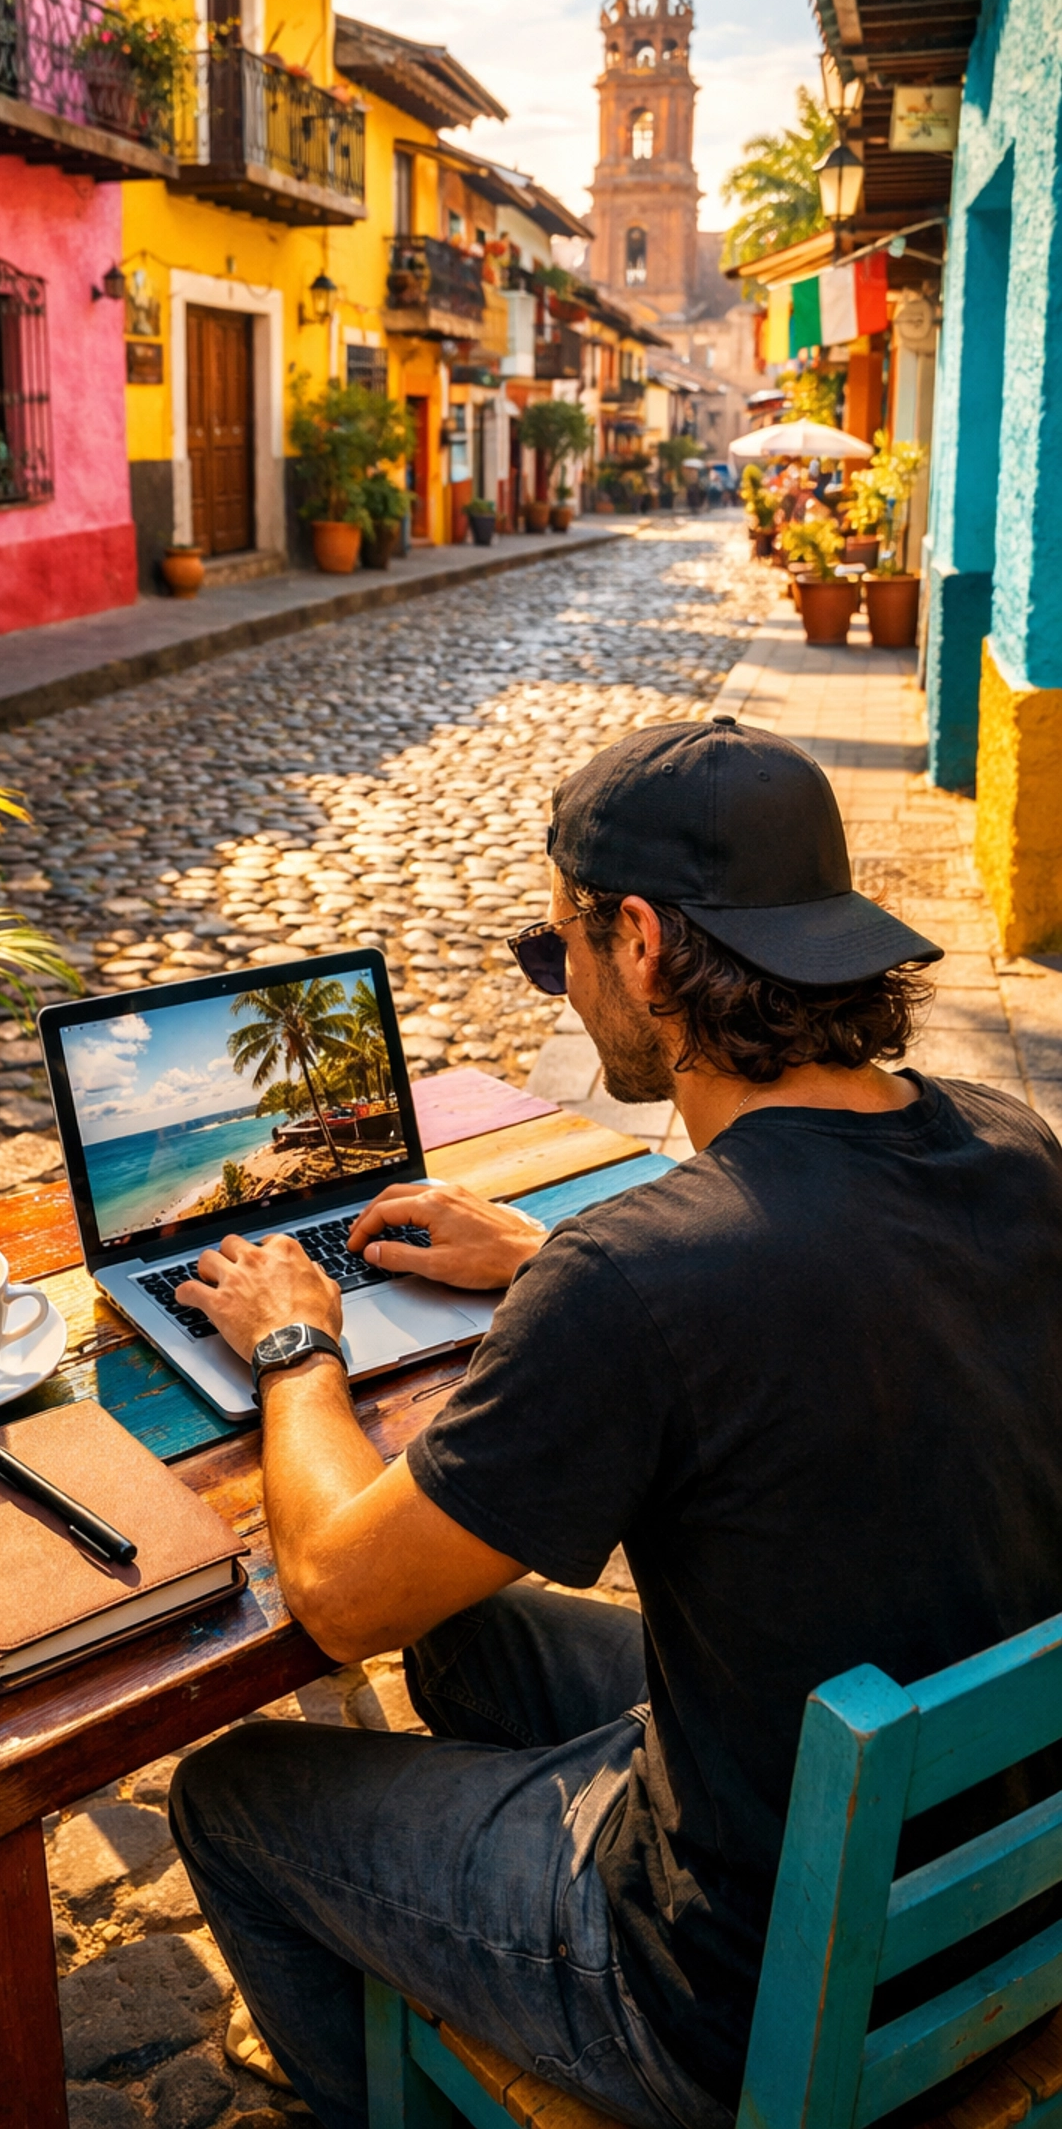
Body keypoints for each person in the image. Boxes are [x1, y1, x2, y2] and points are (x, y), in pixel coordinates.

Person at [168, 715, 1062, 2129]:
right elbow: (807, 1300)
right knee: (471, 1637)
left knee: (234, 1798)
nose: (565, 979)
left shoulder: (641, 1282)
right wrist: (537, 1257)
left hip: (732, 1993)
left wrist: (294, 1341)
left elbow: (337, 1597)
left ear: (640, 943)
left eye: (556, 947)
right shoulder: (1015, 1145)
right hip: (1001, 1880)